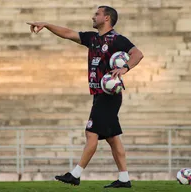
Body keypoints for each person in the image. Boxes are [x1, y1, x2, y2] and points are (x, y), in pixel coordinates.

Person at [27, 5, 143, 188]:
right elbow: (68, 33)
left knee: (91, 133)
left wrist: (125, 67)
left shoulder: (117, 40)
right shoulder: (93, 38)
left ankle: (76, 174)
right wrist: (47, 24)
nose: (93, 16)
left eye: (97, 14)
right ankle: (124, 178)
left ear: (107, 18)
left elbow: (137, 53)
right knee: (113, 138)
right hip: (99, 95)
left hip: (109, 95)